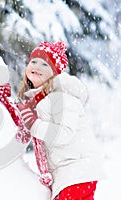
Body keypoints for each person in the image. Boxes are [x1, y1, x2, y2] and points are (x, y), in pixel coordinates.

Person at [17, 41, 104, 200]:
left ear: (55, 72)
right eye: (33, 61)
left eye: (45, 64)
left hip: (75, 172)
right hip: (71, 174)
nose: (37, 66)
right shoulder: (40, 101)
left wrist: (33, 124)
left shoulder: (61, 97)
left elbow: (64, 134)